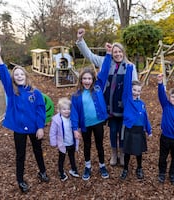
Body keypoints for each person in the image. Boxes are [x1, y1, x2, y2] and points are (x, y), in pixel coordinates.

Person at [76, 28, 138, 166]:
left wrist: (135, 103)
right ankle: (114, 154)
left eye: (119, 51)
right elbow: (90, 56)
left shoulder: (130, 67)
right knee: (113, 130)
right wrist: (80, 41)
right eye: (115, 52)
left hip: (124, 105)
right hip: (109, 104)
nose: (117, 54)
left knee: (122, 131)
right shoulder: (106, 62)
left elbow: (135, 86)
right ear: (112, 53)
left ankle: (122, 154)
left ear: (123, 52)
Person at [0, 45, 49, 193]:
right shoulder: (12, 92)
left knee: (38, 150)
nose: (19, 76)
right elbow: (4, 74)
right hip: (19, 129)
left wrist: (40, 127)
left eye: (21, 74)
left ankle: (42, 171)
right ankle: (20, 180)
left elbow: (40, 110)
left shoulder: (35, 93)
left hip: (34, 128)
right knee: (20, 154)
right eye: (16, 75)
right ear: (13, 78)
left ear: (26, 77)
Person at [70, 43, 112, 181]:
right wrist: (75, 129)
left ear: (93, 79)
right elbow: (74, 113)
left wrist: (108, 54)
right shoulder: (76, 96)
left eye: (89, 78)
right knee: (87, 145)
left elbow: (105, 70)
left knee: (99, 144)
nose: (87, 81)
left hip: (98, 122)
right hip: (85, 125)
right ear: (81, 80)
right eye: (84, 78)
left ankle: (102, 165)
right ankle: (87, 166)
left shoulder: (98, 87)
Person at [119, 64, 152, 180]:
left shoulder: (142, 103)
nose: (136, 92)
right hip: (129, 129)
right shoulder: (127, 99)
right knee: (127, 151)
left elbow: (145, 117)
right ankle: (125, 169)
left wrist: (149, 129)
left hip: (139, 131)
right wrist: (129, 69)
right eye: (134, 90)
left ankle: (139, 168)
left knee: (138, 152)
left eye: (138, 90)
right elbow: (127, 84)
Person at [49, 97, 80, 181]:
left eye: (68, 109)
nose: (66, 111)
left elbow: (76, 128)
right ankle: (61, 172)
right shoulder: (56, 120)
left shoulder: (72, 119)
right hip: (62, 144)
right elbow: (53, 132)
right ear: (59, 110)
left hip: (71, 142)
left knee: (72, 157)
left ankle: (74, 169)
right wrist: (53, 142)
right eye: (64, 109)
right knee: (61, 158)